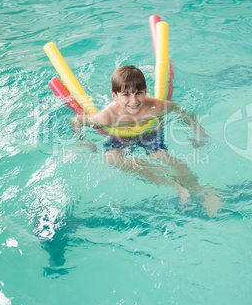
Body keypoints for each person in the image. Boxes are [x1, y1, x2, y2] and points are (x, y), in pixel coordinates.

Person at [71, 65, 222, 217]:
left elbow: (180, 110)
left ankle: (198, 188)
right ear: (114, 96)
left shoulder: (155, 107)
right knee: (111, 158)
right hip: (120, 136)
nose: (133, 100)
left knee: (161, 155)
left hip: (148, 130)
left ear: (145, 91)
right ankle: (175, 185)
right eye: (126, 95)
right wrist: (82, 142)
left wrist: (196, 130)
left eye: (139, 93)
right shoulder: (107, 116)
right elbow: (76, 121)